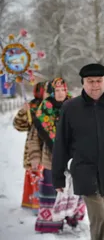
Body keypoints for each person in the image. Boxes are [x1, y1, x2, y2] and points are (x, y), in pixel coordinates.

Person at [51, 63, 104, 240]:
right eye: (90, 81)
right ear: (83, 83)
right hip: (84, 170)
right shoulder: (70, 108)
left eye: (99, 81)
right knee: (100, 217)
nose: (95, 85)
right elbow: (61, 144)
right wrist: (57, 175)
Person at [27, 78, 86, 233]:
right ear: (51, 93)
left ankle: (73, 217)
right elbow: (34, 138)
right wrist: (34, 157)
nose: (60, 94)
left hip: (74, 159)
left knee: (74, 191)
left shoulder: (77, 107)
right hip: (50, 160)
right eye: (57, 91)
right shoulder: (43, 111)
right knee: (52, 192)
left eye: (63, 90)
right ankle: (50, 224)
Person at [13, 81, 46, 215]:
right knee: (35, 176)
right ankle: (34, 205)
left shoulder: (57, 104)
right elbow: (19, 126)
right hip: (34, 149)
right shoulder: (31, 106)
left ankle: (48, 204)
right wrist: (23, 112)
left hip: (51, 150)